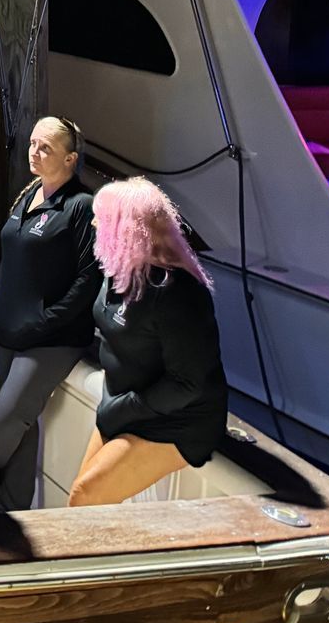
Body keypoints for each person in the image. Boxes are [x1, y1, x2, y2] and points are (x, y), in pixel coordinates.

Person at [0, 116, 100, 513]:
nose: (34, 152)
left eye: (46, 148)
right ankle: (13, 514)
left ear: (71, 159)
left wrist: (46, 321)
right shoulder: (29, 194)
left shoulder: (81, 206)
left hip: (51, 338)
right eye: (32, 144)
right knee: (22, 431)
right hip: (11, 331)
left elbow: (88, 280)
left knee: (4, 418)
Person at [69, 178, 227, 507]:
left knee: (85, 498)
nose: (94, 222)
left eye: (102, 217)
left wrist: (123, 409)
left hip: (176, 419)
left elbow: (187, 383)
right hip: (125, 404)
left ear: (127, 229)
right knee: (82, 501)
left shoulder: (178, 293)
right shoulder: (120, 270)